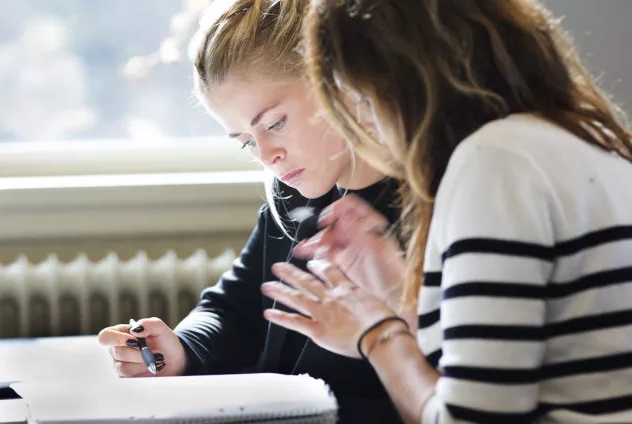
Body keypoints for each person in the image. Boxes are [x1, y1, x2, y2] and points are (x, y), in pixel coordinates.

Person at [259, 0, 632, 423]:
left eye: (359, 99)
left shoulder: (495, 163)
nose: (362, 124)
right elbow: (494, 360)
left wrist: (376, 334)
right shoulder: (594, 140)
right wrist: (396, 290)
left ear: (404, 76)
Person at [97, 0, 405, 422]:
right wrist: (183, 349)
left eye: (275, 123)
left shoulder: (428, 207)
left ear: (340, 81)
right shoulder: (292, 199)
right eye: (245, 140)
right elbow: (235, 308)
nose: (266, 156)